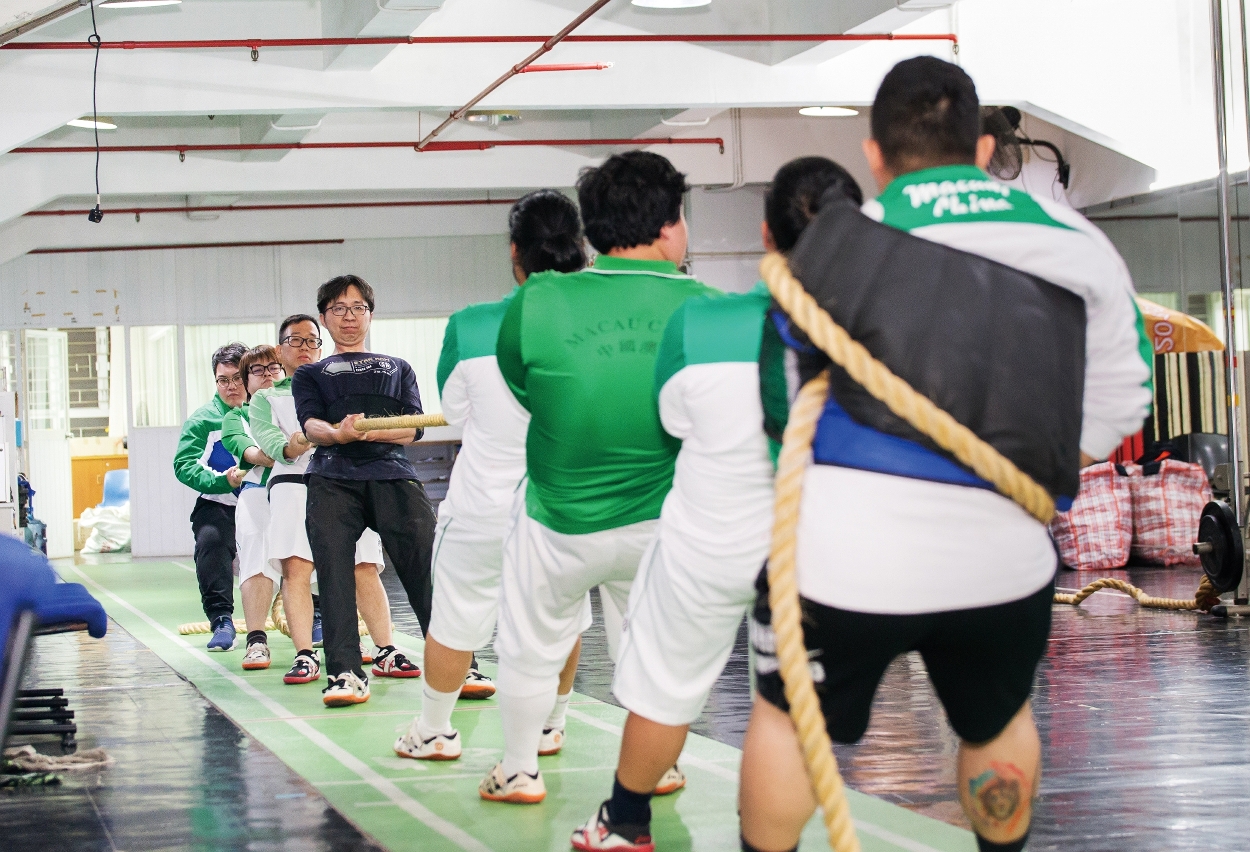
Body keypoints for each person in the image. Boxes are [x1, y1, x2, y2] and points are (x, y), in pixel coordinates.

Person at [738, 57, 1153, 852]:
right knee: (997, 719)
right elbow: (1125, 395)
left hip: (846, 557)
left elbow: (782, 410)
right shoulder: (1079, 244)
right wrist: (1017, 471)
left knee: (788, 721)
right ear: (985, 146)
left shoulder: (832, 248)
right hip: (1004, 556)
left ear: (873, 154)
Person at [571, 158, 863, 852]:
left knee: (665, 688)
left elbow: (671, 420)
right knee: (785, 713)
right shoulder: (876, 332)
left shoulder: (697, 322)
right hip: (818, 553)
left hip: (707, 545)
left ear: (766, 232)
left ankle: (625, 821)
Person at [481, 151, 719, 805]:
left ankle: (519, 769)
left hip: (557, 518)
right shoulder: (709, 308)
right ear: (670, 225)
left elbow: (526, 389)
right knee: (650, 645)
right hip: (658, 520)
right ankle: (658, 767)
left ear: (592, 228)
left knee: (529, 644)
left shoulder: (537, 299)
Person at [394, 190, 589, 763]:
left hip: (482, 509)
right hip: (563, 506)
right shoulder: (595, 326)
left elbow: (454, 412)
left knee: (454, 622)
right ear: (579, 247)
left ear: (514, 251)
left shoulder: (472, 325)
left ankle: (434, 731)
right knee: (563, 620)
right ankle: (552, 726)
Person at [294, 278, 439, 707]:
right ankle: (344, 673)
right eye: (339, 308)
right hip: (331, 478)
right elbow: (311, 426)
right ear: (324, 318)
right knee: (334, 576)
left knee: (428, 570)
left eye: (358, 307)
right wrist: (338, 434)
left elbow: (414, 427)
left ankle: (458, 664)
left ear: (370, 315)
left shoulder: (398, 367)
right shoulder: (310, 373)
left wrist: (371, 431)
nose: (349, 317)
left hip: (393, 474)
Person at [250, 314, 417, 686]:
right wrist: (305, 439)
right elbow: (275, 445)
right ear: (280, 350)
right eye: (296, 340)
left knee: (364, 565)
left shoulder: (336, 382)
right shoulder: (266, 397)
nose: (305, 347)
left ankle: (386, 649)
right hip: (293, 483)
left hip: (348, 479)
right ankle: (305, 654)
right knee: (297, 568)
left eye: (312, 340)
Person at [173, 342, 248, 652]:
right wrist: (221, 481)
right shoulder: (203, 420)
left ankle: (315, 614)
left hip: (268, 502)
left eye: (237, 378)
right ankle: (221, 621)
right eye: (223, 380)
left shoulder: (268, 412)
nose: (231, 386)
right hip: (220, 503)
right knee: (210, 539)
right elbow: (184, 465)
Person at [220, 344, 283, 670]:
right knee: (256, 562)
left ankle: (334, 632)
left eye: (273, 368)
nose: (267, 375)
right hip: (259, 494)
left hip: (306, 492)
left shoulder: (301, 406)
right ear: (246, 381)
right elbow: (251, 452)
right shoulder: (236, 417)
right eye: (257, 370)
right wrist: (277, 451)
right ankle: (256, 640)